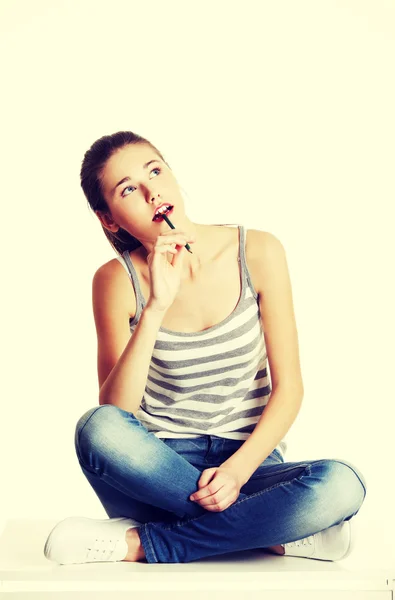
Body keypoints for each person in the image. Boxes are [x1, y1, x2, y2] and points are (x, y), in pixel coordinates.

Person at [43, 131, 367, 565]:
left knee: (343, 483)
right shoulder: (115, 280)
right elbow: (116, 411)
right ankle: (273, 532)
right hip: (159, 468)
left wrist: (236, 472)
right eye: (128, 189)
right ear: (110, 220)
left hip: (250, 461)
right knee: (95, 429)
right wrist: (156, 306)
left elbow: (289, 389)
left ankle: (144, 543)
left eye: (155, 171)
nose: (151, 191)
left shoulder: (258, 251)